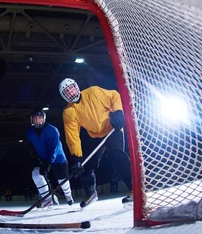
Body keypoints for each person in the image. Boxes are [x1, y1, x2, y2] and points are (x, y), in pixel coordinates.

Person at [59, 78, 133, 208]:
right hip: (95, 135)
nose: (71, 92)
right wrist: (76, 157)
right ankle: (91, 193)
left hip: (112, 128)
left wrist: (118, 112)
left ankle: (135, 189)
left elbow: (114, 95)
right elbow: (73, 136)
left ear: (76, 87)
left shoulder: (93, 92)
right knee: (85, 165)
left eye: (71, 88)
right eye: (67, 92)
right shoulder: (69, 112)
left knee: (117, 155)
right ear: (64, 96)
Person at [26, 108, 74, 209]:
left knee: (62, 181)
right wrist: (36, 157)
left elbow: (54, 148)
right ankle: (47, 199)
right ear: (32, 120)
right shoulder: (30, 132)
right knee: (35, 174)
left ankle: (68, 196)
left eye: (40, 118)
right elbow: (32, 146)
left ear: (44, 119)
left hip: (58, 159)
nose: (38, 121)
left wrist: (48, 162)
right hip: (43, 158)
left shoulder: (52, 130)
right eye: (35, 119)